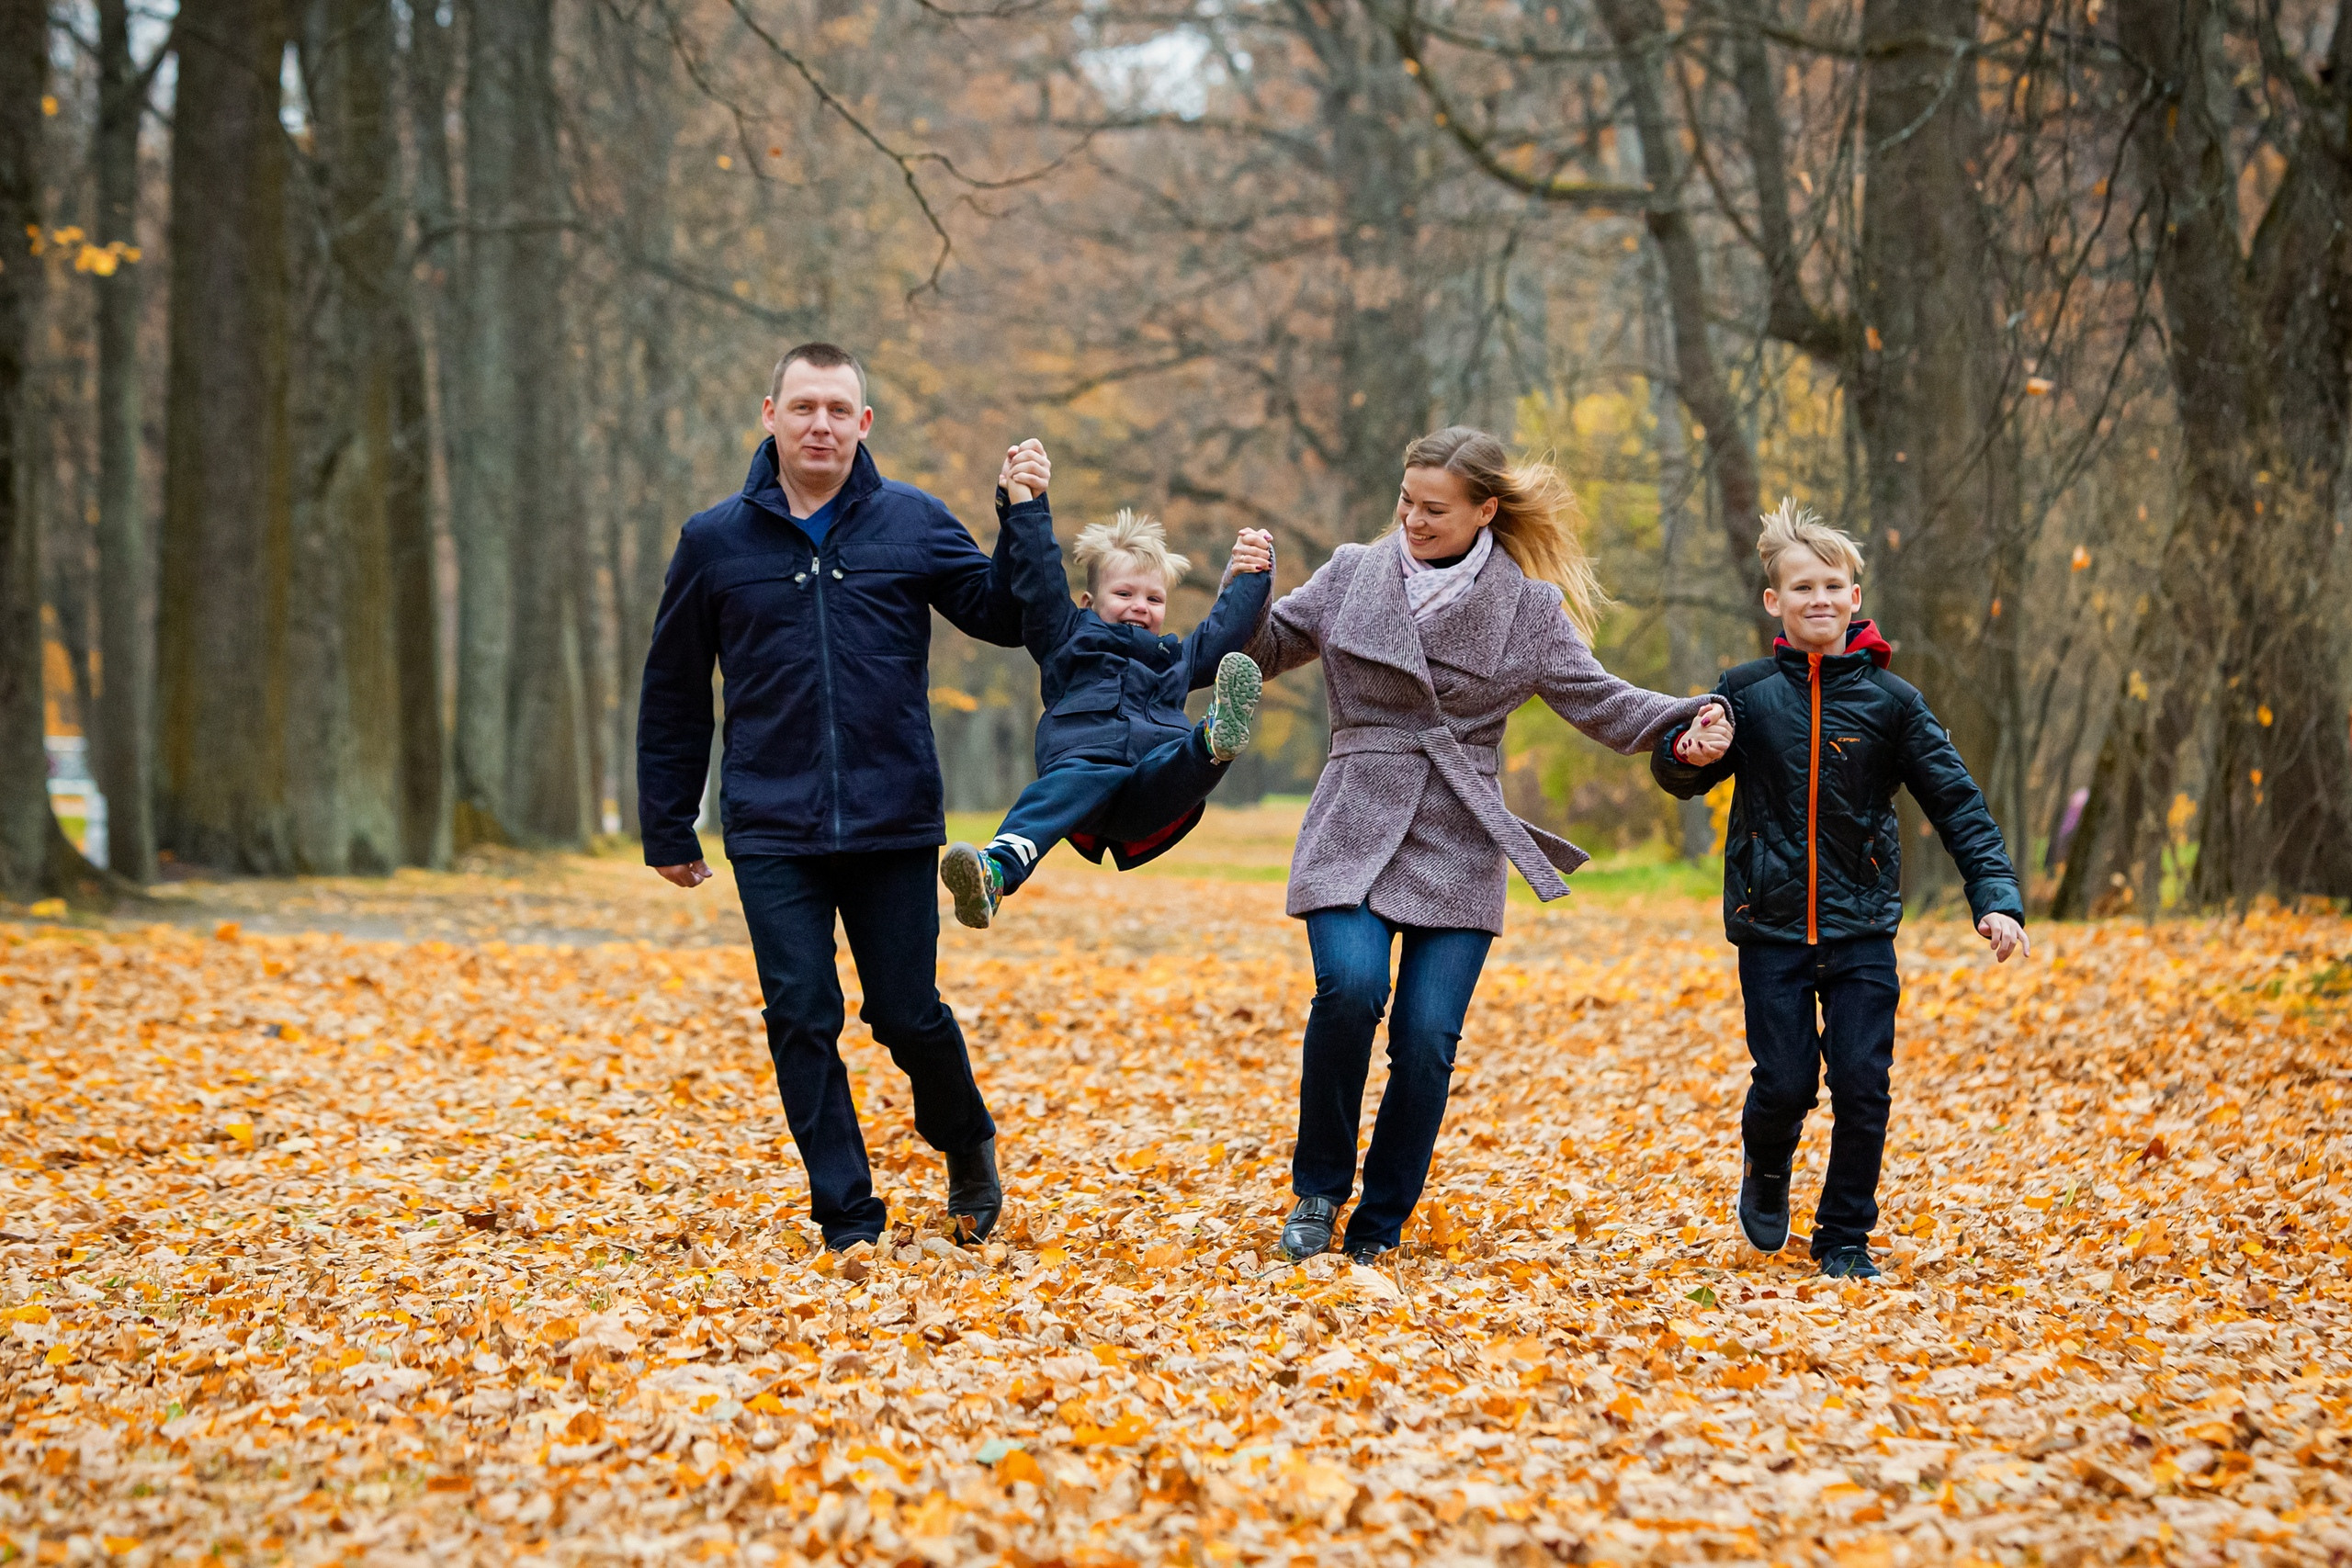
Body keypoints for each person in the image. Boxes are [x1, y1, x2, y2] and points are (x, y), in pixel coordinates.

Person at [1245, 427, 1722, 1264]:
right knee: (1350, 989)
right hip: (1353, 822)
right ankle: (1317, 1194)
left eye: (1435, 509)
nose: (1414, 520)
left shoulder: (1528, 611)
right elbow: (1261, 649)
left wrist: (1697, 719)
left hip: (1459, 839)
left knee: (1427, 1038)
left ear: (1484, 511)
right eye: (1407, 501)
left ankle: (1379, 1224)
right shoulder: (1354, 571)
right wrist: (1240, 593)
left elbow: (1604, 702)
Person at [636, 342, 1024, 1251]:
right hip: (772, 824)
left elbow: (1005, 617)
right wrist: (667, 818)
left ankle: (965, 1140)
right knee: (800, 1015)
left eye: (836, 409)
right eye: (803, 406)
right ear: (769, 415)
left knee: (904, 1011)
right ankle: (847, 1216)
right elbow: (675, 687)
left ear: (863, 424)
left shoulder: (914, 523)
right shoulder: (714, 541)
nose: (820, 424)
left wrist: (1021, 519)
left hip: (892, 819)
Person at [1652, 500, 2029, 1280]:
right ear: (1774, 602)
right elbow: (1682, 771)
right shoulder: (1748, 692)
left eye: (1832, 585)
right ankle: (1765, 1165)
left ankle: (1844, 1234)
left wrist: (1994, 894)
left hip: (1860, 928)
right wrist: (1688, 749)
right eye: (1801, 588)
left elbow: (1957, 802)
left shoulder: (1893, 704)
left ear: (1855, 597)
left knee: (1863, 1082)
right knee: (1785, 1081)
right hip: (1772, 927)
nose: (1818, 599)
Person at [940, 442, 1275, 928]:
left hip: (1150, 789)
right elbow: (1038, 572)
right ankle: (996, 872)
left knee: (1184, 759)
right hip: (1084, 772)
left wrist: (1252, 574)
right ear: (1088, 599)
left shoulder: (1174, 659)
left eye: (1154, 598)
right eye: (1124, 593)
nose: (1141, 606)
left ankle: (1216, 737)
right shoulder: (1065, 634)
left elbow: (1223, 631)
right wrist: (1027, 502)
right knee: (1071, 782)